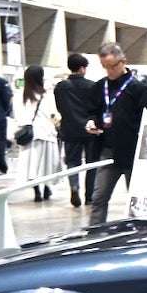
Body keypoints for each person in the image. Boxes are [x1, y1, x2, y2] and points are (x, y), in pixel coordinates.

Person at [84, 42, 147, 225]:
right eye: (104, 67)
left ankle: (141, 233)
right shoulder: (99, 87)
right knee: (99, 197)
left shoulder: (138, 88)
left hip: (134, 153)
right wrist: (91, 121)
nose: (109, 71)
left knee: (137, 199)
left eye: (112, 66)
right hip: (108, 151)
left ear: (123, 61)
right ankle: (94, 234)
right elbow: (92, 111)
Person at [52, 52, 95, 208]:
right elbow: (96, 108)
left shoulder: (61, 87)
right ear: (83, 68)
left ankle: (74, 186)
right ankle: (90, 196)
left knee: (72, 162)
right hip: (90, 131)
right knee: (92, 163)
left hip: (69, 129)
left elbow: (59, 108)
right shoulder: (92, 86)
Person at [19, 64, 63, 202]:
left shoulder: (21, 94)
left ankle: (36, 191)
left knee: (33, 165)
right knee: (47, 164)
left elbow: (19, 115)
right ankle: (46, 188)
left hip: (30, 135)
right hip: (46, 133)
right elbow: (54, 115)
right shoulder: (46, 95)